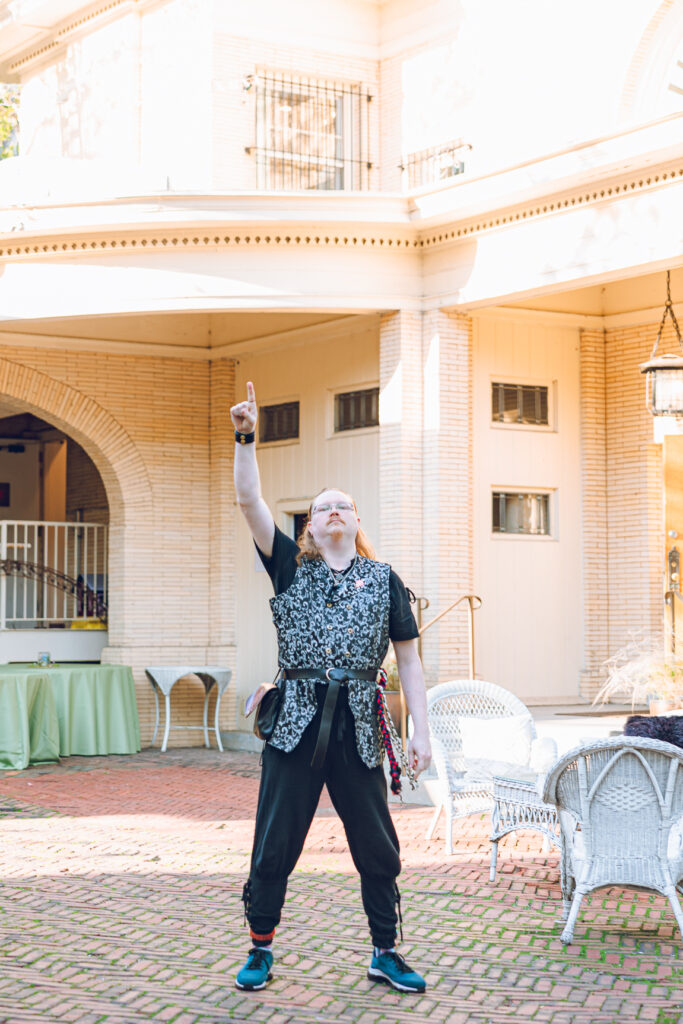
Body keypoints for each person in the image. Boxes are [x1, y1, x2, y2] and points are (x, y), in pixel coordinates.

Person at [231, 381, 432, 994]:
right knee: (275, 840)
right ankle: (260, 948)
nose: (333, 511)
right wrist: (246, 437)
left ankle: (384, 950)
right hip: (295, 719)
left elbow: (411, 662)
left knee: (376, 843)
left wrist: (422, 731)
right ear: (310, 527)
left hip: (362, 726)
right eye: (322, 508)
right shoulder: (291, 566)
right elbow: (248, 499)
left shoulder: (384, 578)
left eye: (343, 504)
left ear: (356, 521)